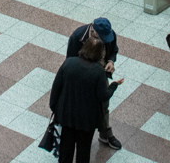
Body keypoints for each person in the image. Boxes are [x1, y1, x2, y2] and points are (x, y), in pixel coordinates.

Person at [50, 35, 121, 163]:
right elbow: (103, 96)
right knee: (83, 152)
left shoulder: (68, 63)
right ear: (100, 53)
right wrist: (114, 86)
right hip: (86, 121)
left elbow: (55, 89)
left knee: (65, 151)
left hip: (67, 116)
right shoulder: (98, 72)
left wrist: (56, 110)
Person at [66, 18, 122, 150]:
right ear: (93, 31)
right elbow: (70, 62)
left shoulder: (110, 34)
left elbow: (113, 49)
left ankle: (105, 133)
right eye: (101, 37)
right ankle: (76, 132)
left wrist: (110, 61)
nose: (104, 40)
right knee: (81, 106)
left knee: (104, 105)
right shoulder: (77, 37)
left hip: (100, 75)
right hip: (81, 79)